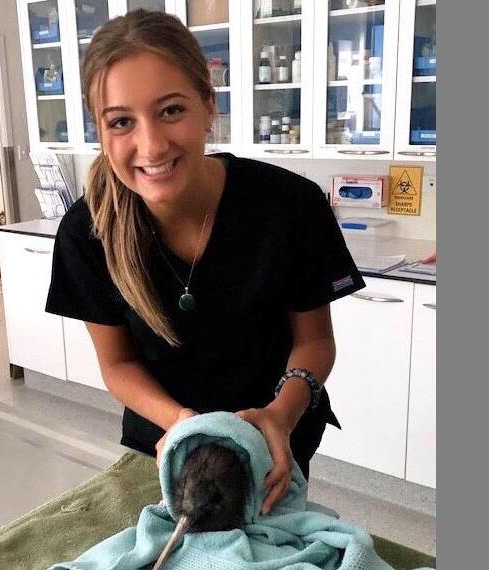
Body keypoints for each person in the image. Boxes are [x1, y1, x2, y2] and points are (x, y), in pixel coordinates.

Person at [45, 9, 365, 516]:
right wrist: (182, 423)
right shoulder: (88, 231)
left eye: (171, 110)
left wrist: (280, 416)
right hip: (161, 441)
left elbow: (314, 340)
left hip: (277, 436)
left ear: (208, 105)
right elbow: (118, 363)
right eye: (122, 121)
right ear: (101, 132)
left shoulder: (290, 206)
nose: (150, 145)